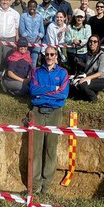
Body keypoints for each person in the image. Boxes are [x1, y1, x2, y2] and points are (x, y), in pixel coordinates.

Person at [29, 45, 69, 194]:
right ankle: (35, 184)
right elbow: (33, 91)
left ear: (56, 56)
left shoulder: (63, 73)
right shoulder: (37, 72)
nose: (49, 57)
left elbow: (63, 94)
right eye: (47, 54)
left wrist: (43, 92)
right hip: (38, 112)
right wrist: (54, 88)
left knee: (51, 148)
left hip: (55, 113)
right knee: (36, 149)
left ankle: (47, 184)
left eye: (52, 54)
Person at [70, 34, 104, 103]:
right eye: (90, 41)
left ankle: (94, 98)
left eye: (95, 41)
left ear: (98, 43)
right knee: (75, 83)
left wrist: (86, 78)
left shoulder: (102, 56)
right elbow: (88, 66)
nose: (92, 43)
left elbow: (100, 73)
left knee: (83, 85)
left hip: (100, 80)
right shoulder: (88, 54)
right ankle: (85, 96)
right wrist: (79, 62)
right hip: (90, 76)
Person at [65, 9, 92, 74]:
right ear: (75, 17)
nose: (79, 19)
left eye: (81, 17)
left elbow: (88, 38)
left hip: (82, 52)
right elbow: (66, 38)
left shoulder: (87, 27)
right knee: (72, 69)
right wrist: (72, 41)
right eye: (78, 17)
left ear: (84, 18)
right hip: (71, 52)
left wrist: (80, 41)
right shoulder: (69, 27)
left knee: (81, 70)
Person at [19, 0, 44, 67]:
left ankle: (32, 76)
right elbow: (22, 30)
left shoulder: (40, 17)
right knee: (24, 60)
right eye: (30, 6)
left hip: (37, 43)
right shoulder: (23, 16)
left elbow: (42, 31)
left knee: (33, 62)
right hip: (25, 43)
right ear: (27, 7)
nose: (32, 8)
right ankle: (23, 76)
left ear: (36, 7)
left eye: (34, 7)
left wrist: (35, 42)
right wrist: (28, 42)